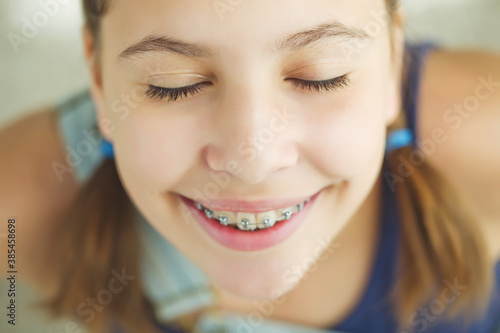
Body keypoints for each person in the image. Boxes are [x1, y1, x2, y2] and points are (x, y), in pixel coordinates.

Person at [1, 0, 499, 332]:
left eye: (320, 77)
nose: (252, 161)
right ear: (97, 77)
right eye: (173, 85)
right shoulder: (20, 204)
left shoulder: (481, 133)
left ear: (393, 60)